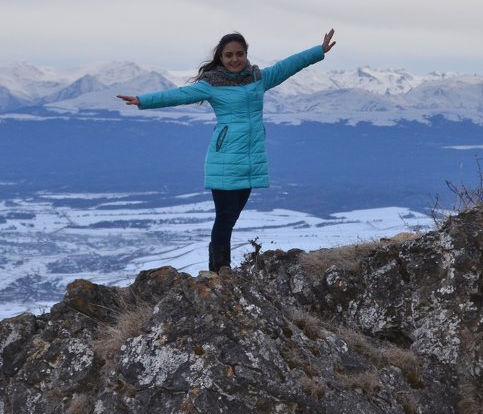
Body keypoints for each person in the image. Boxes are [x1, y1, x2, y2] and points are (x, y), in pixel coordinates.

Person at [118, 29, 336, 273]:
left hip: (250, 160)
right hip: (224, 159)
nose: (235, 59)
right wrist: (143, 100)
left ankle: (220, 271)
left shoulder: (257, 78)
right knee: (225, 216)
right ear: (220, 58)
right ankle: (220, 269)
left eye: (239, 54)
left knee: (230, 218)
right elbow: (178, 95)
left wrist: (319, 51)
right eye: (229, 55)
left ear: (246, 54)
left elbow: (288, 65)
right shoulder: (211, 84)